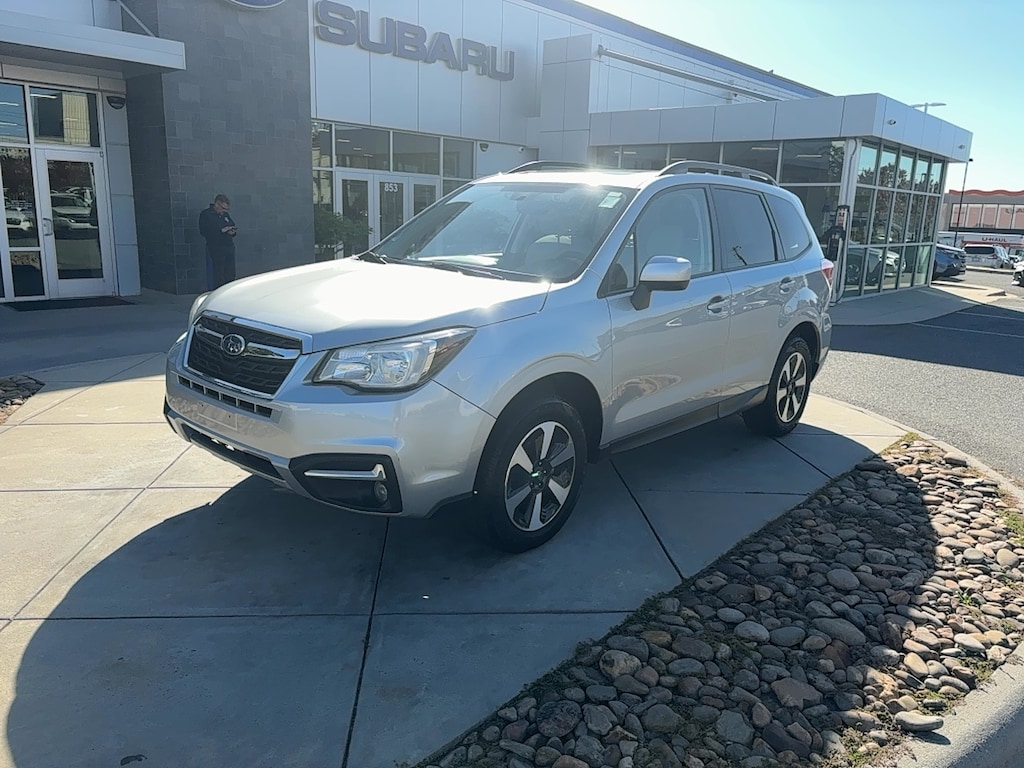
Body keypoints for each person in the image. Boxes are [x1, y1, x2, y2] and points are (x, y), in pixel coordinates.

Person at [198, 194, 237, 289]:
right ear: (217, 204)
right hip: (216, 247)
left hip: (228, 246)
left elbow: (231, 224)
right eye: (223, 208)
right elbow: (204, 231)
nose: (225, 211)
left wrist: (232, 232)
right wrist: (220, 231)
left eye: (227, 209)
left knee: (230, 272)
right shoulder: (206, 215)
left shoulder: (225, 215)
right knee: (218, 273)